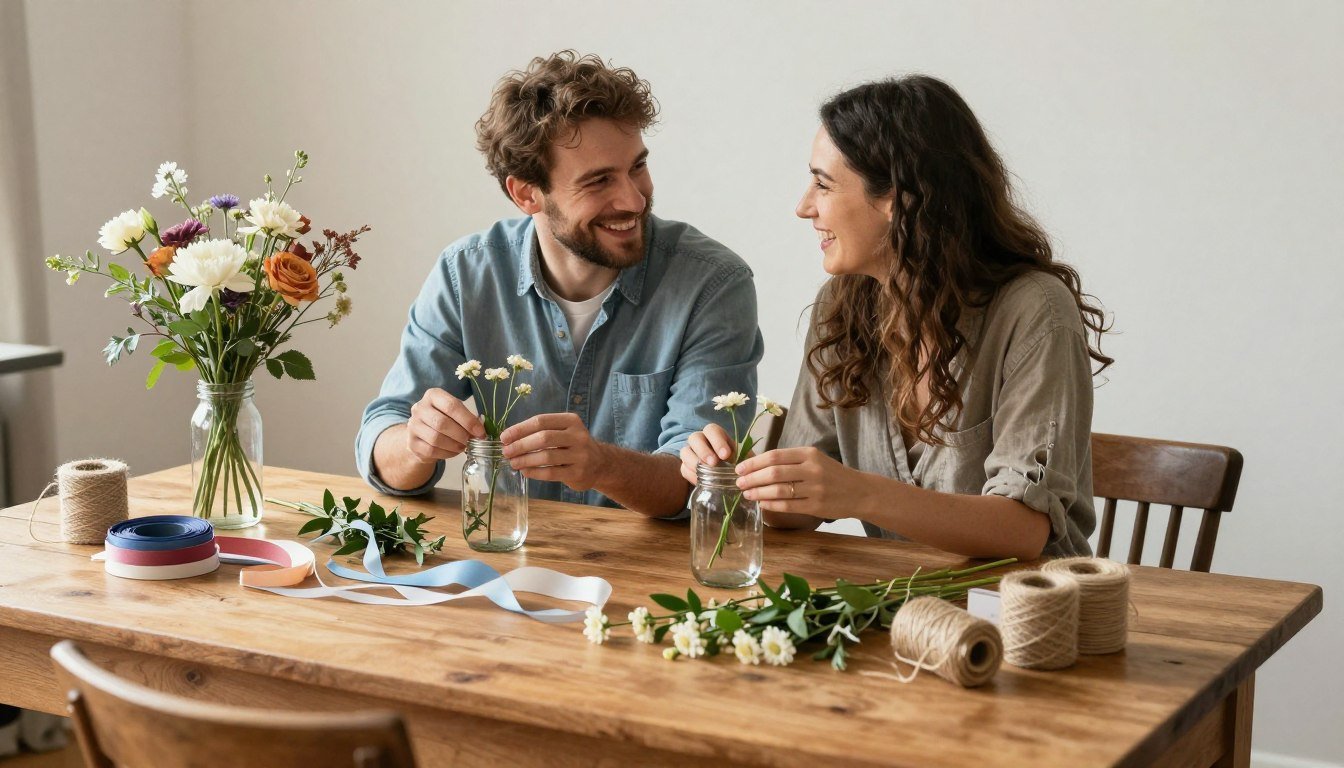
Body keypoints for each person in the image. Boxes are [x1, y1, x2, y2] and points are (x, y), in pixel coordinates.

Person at [680, 75, 1110, 560]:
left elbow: (1024, 530)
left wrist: (858, 492)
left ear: (896, 197)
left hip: (1025, 614)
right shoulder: (840, 307)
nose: (803, 207)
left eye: (823, 184)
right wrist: (740, 475)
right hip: (896, 607)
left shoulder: (1035, 311)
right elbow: (799, 510)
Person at [359, 51, 762, 517]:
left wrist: (600, 465)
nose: (633, 199)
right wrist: (415, 444)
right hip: (506, 557)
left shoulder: (713, 284)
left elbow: (700, 487)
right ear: (527, 193)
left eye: (637, 167)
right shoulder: (466, 275)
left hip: (653, 575)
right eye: (598, 182)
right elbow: (381, 436)